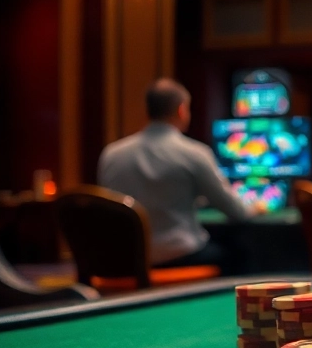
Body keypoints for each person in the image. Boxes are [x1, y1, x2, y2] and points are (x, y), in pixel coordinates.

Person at [98, 78, 256, 275]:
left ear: (148, 111)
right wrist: (255, 207)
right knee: (242, 252)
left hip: (124, 263)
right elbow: (236, 212)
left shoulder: (111, 154)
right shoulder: (194, 153)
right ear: (182, 110)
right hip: (181, 257)